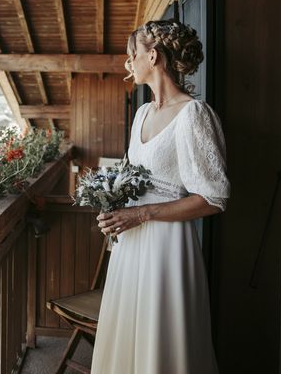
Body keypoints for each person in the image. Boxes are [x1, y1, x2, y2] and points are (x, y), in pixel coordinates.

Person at [90, 20, 231, 374]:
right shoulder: (141, 114)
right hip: (130, 245)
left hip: (167, 248)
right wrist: (114, 207)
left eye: (132, 56)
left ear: (153, 56)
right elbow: (131, 177)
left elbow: (214, 199)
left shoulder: (193, 115)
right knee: (128, 336)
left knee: (162, 342)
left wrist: (141, 214)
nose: (129, 64)